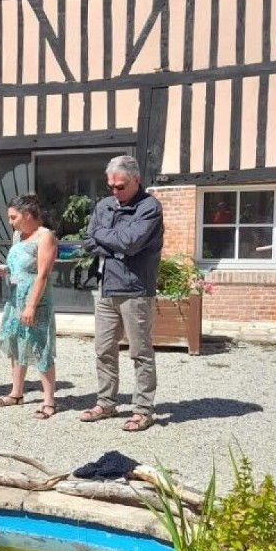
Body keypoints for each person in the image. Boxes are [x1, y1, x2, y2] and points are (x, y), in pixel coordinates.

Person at [80, 154, 163, 433]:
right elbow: (89, 241)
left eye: (121, 186)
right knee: (103, 349)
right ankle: (106, 402)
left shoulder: (149, 207)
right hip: (107, 288)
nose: (115, 191)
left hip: (136, 289)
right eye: (111, 186)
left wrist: (112, 240)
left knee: (140, 352)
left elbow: (131, 242)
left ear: (137, 180)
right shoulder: (104, 206)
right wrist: (115, 245)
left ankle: (143, 409)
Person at [0, 194, 58, 418]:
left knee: (40, 346)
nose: (10, 222)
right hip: (15, 299)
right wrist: (5, 271)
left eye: (13, 217)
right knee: (15, 343)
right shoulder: (18, 237)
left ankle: (49, 400)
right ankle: (16, 393)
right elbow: (18, 268)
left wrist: (31, 306)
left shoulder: (45, 237)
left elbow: (42, 275)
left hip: (36, 301)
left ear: (27, 215)